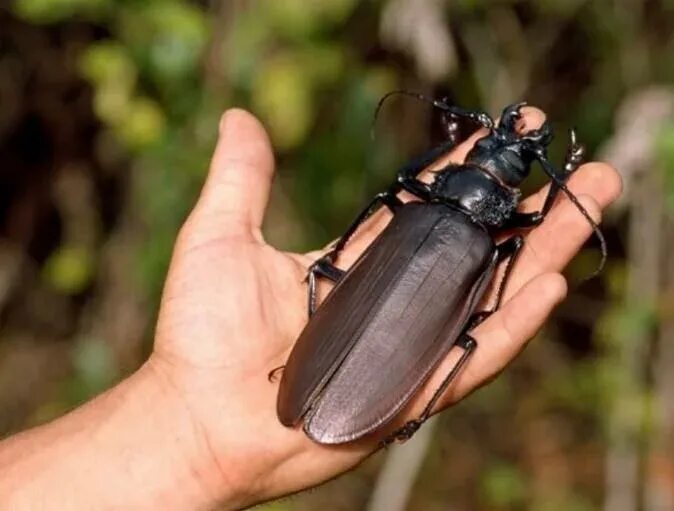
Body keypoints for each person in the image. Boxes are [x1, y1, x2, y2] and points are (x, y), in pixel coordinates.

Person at [0, 107, 621, 509]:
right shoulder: (485, 235)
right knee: (467, 340)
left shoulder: (420, 209)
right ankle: (402, 411)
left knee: (465, 336)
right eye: (504, 157)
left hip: (395, 311)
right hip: (415, 297)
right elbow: (530, 222)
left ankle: (389, 403)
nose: (502, 154)